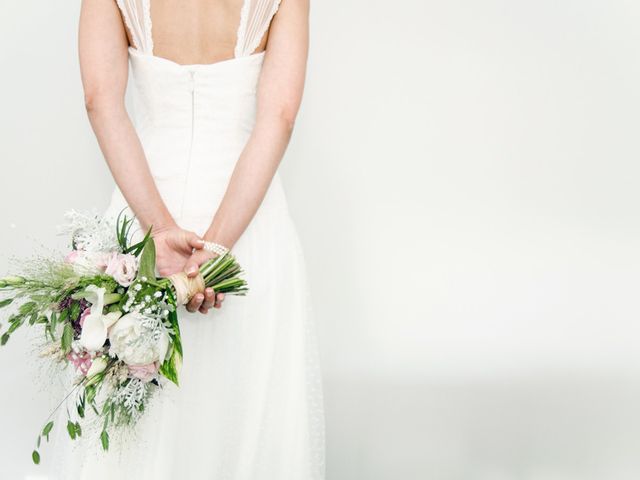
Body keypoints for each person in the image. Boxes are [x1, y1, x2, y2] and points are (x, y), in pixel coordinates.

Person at [50, 0, 324, 478]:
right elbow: (278, 116)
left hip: (143, 217)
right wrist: (215, 252)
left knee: (139, 424)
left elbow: (100, 100)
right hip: (248, 223)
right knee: (245, 406)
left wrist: (156, 229)